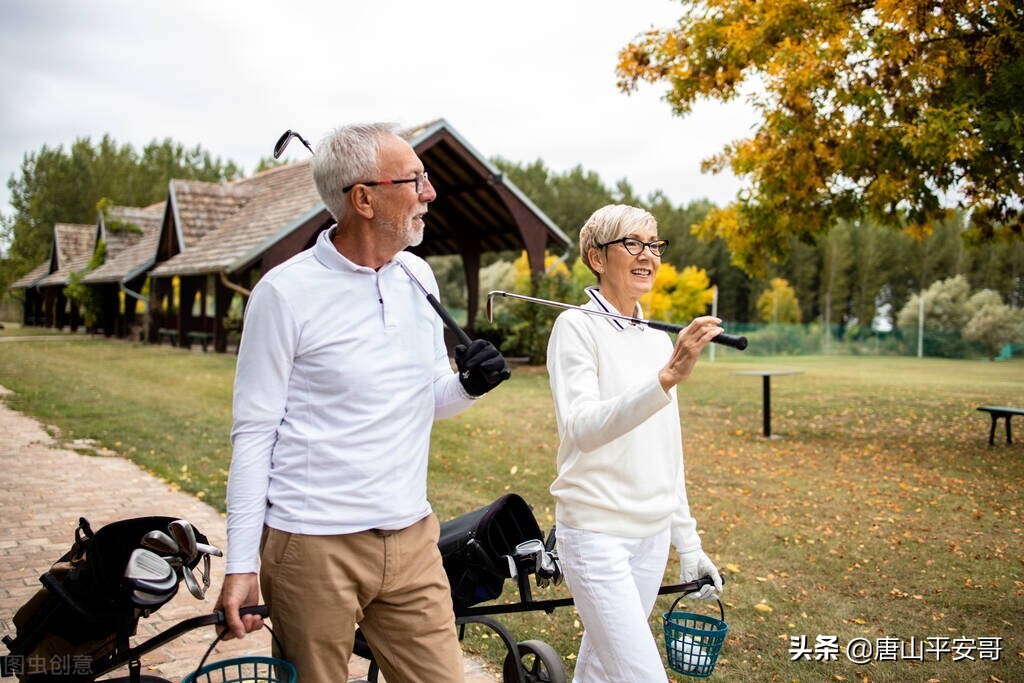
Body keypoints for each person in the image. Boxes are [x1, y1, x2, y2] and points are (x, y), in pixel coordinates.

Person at [215, 122, 510, 683]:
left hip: (413, 537)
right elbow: (253, 436)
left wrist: (469, 385)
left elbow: (426, 399)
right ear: (364, 199)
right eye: (416, 180)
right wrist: (240, 565)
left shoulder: (417, 276)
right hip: (313, 547)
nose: (430, 193)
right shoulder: (283, 294)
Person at [546, 204, 724, 682]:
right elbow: (582, 428)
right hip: (596, 533)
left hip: (651, 537)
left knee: (603, 669)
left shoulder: (655, 338)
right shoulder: (575, 328)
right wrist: (665, 379)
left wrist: (688, 543)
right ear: (597, 258)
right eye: (632, 243)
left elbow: (669, 450)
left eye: (653, 245)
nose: (647, 255)